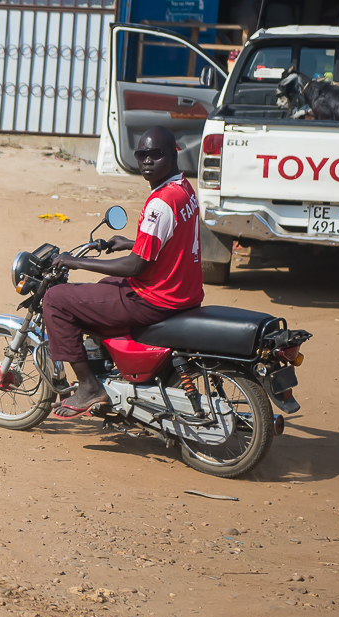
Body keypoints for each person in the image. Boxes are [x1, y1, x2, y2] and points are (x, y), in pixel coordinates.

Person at [42, 126, 204, 419]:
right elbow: (173, 241)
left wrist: (75, 262)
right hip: (182, 292)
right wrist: (130, 242)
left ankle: (89, 387)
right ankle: (111, 363)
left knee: (57, 299)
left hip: (156, 300)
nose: (147, 160)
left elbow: (135, 266)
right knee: (106, 283)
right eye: (142, 154)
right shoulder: (183, 189)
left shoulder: (160, 203)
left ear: (173, 154)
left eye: (155, 154)